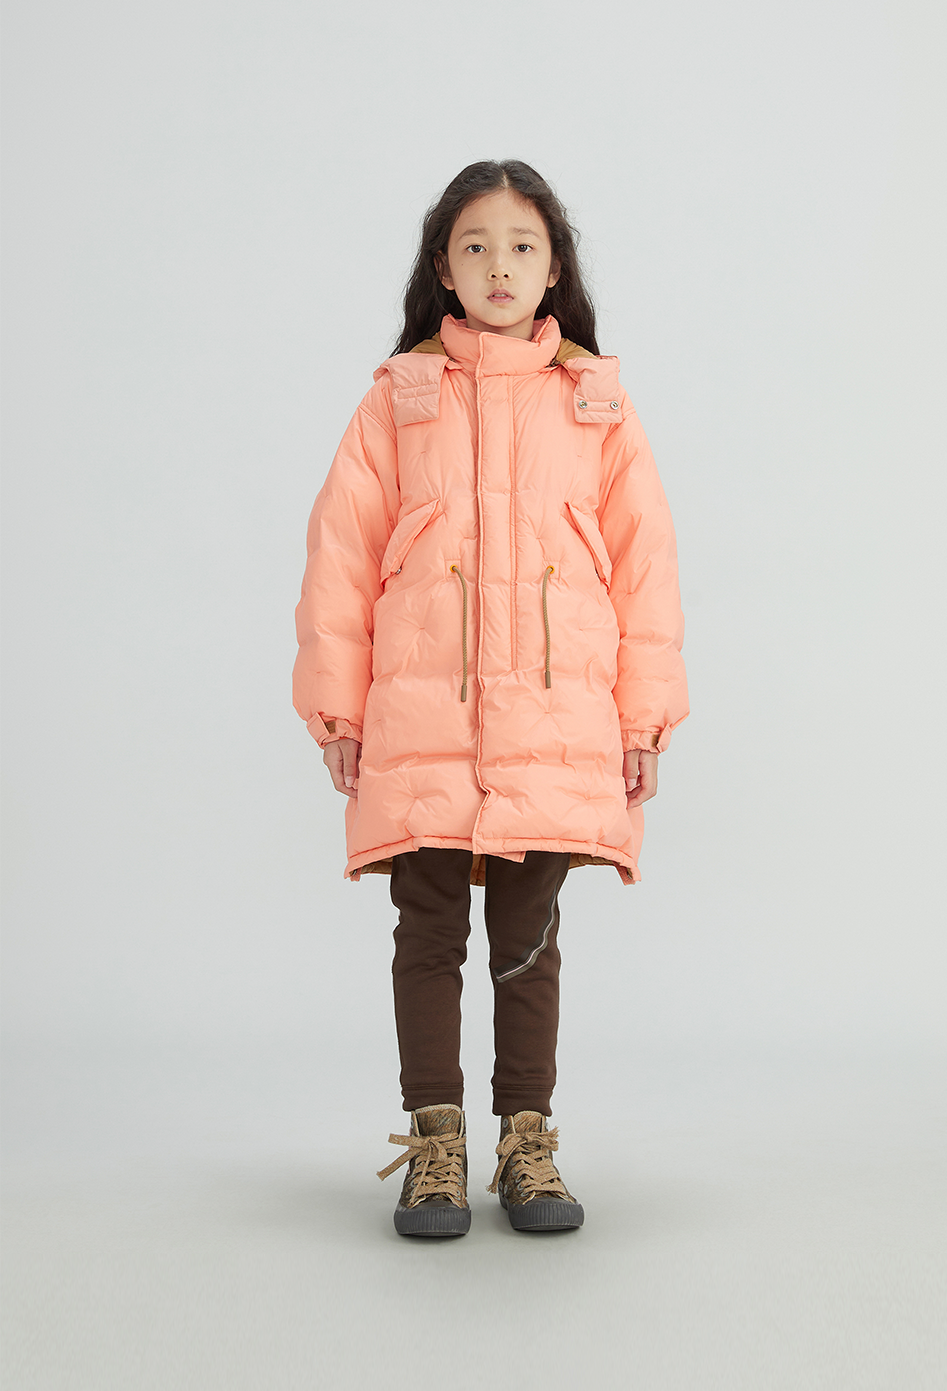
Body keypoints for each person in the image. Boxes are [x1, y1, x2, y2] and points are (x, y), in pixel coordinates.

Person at [292, 160, 688, 1237]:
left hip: (554, 727)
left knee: (526, 939)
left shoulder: (595, 404)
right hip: (421, 722)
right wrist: (339, 712)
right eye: (475, 245)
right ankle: (435, 1143)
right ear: (443, 268)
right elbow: (340, 557)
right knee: (426, 931)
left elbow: (645, 570)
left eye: (521, 246)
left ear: (554, 268)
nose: (499, 265)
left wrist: (643, 719)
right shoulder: (400, 400)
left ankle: (527, 1142)